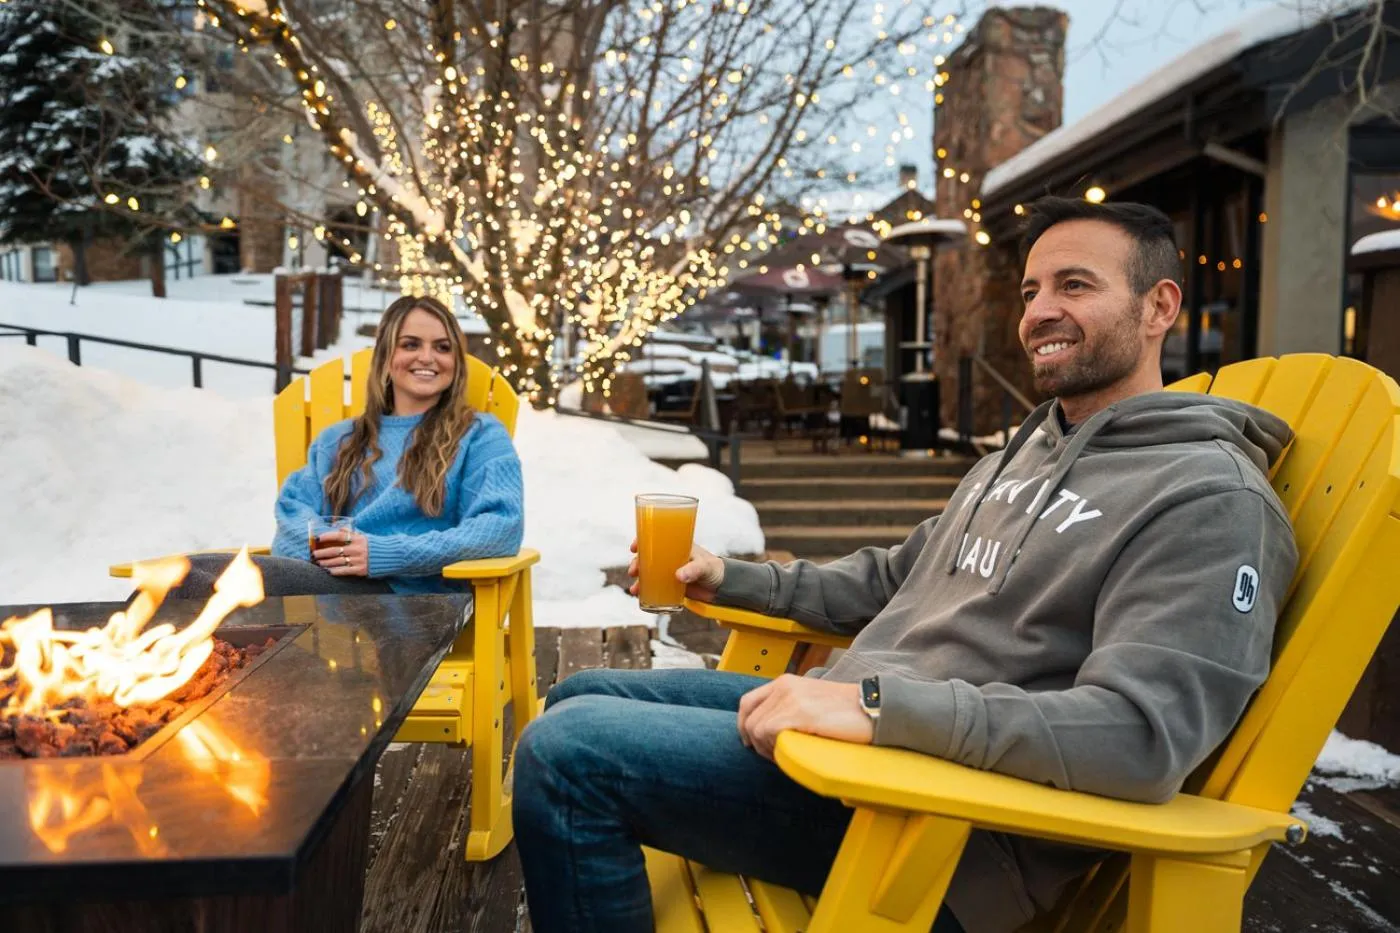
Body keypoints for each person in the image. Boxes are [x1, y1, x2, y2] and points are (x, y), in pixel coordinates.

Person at [510, 197, 1299, 933]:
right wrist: (733, 577)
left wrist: (883, 709)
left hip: (939, 820)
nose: (1038, 311)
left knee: (568, 757)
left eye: (1075, 285)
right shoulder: (1022, 455)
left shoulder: (1207, 498)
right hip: (863, 743)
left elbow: (1140, 734)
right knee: (577, 693)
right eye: (1031, 291)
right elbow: (895, 579)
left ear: (1159, 307)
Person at [169, 295, 524, 599]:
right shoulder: (339, 440)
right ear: (385, 357)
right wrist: (337, 551)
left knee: (190, 582)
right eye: (410, 344)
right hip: (332, 593)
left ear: (456, 362)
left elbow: (501, 528)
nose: (428, 357)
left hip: (420, 604)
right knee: (184, 576)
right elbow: (293, 515)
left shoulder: (479, 436)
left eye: (443, 347)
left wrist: (384, 554)